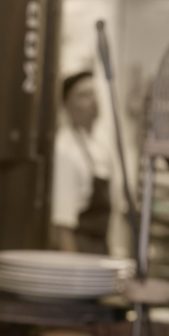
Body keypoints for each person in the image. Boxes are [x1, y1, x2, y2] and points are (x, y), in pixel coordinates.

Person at [51, 71, 113, 254]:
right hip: (78, 248)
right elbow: (63, 227)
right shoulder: (64, 149)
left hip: (100, 247)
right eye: (83, 95)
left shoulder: (100, 142)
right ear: (66, 105)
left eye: (93, 93)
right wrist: (72, 274)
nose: (93, 100)